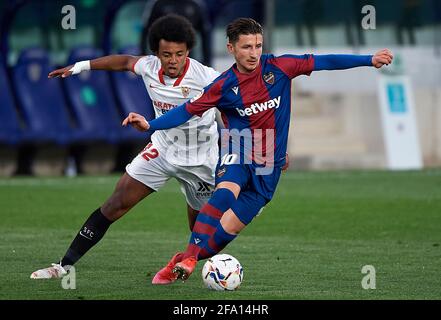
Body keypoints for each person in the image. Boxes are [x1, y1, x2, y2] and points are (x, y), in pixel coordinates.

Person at [123, 17, 394, 284]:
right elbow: (186, 111)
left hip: (269, 165)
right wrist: (150, 124)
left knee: (219, 241)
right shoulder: (222, 85)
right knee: (224, 195)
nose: (253, 54)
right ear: (231, 48)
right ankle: (191, 258)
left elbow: (325, 61)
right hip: (238, 149)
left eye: (257, 46)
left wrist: (369, 59)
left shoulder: (280, 67)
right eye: (246, 47)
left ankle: (180, 260)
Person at [30, 14, 222, 284]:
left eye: (179, 54)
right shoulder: (149, 66)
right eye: (166, 54)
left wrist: (258, 145)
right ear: (156, 52)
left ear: (188, 51)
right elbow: (122, 62)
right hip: (163, 150)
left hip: (202, 160)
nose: (173, 60)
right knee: (115, 204)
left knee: (200, 231)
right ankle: (63, 266)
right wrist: (80, 66)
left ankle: (192, 264)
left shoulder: (207, 77)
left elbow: (238, 105)